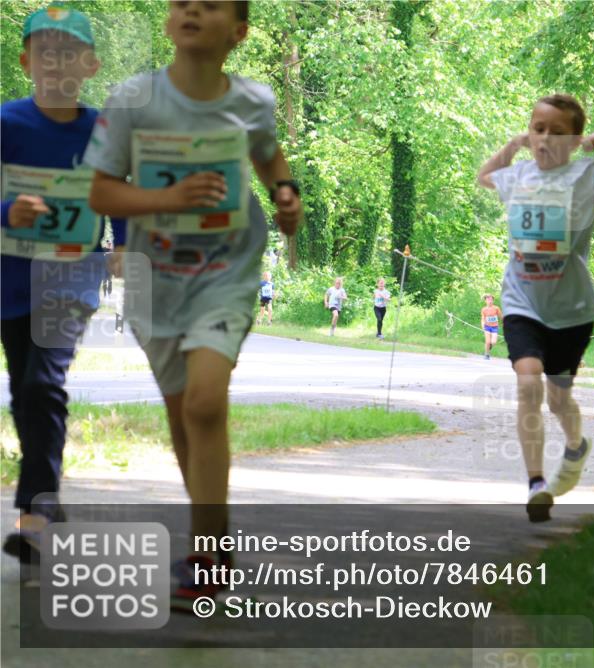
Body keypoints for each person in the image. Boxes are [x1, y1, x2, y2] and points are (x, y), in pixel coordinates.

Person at [85, 0, 301, 609]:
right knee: (186, 415)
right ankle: (213, 541)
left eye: (208, 6)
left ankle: (206, 557)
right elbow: (99, 190)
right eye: (182, 3)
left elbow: (268, 156)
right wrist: (170, 197)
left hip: (227, 271)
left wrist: (286, 194)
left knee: (207, 403)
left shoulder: (252, 101)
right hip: (156, 279)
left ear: (237, 31)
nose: (191, 12)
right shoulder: (134, 100)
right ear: (169, 19)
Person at [478, 93, 594, 521]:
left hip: (572, 308)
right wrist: (513, 145)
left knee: (559, 399)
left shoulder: (587, 175)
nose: (545, 139)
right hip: (522, 301)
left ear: (574, 141)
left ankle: (575, 446)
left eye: (558, 133)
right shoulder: (517, 176)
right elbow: (485, 175)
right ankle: (536, 482)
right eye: (538, 129)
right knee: (527, 380)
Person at [1, 4, 127, 563]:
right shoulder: (7, 124)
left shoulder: (104, 129)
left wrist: (122, 241)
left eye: (68, 52)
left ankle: (35, 515)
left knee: (41, 385)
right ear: (27, 60)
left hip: (72, 279)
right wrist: (9, 212)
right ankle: (48, 489)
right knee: (25, 392)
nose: (56, 62)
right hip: (10, 280)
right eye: (45, 51)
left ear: (90, 64)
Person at [480, 293, 502, 360]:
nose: (490, 301)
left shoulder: (496, 308)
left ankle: (489, 346)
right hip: (487, 327)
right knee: (488, 341)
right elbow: (483, 318)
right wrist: (483, 325)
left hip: (494, 327)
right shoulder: (484, 309)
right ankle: (487, 354)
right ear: (485, 301)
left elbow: (501, 316)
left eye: (491, 300)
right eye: (488, 300)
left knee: (493, 342)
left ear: (493, 301)